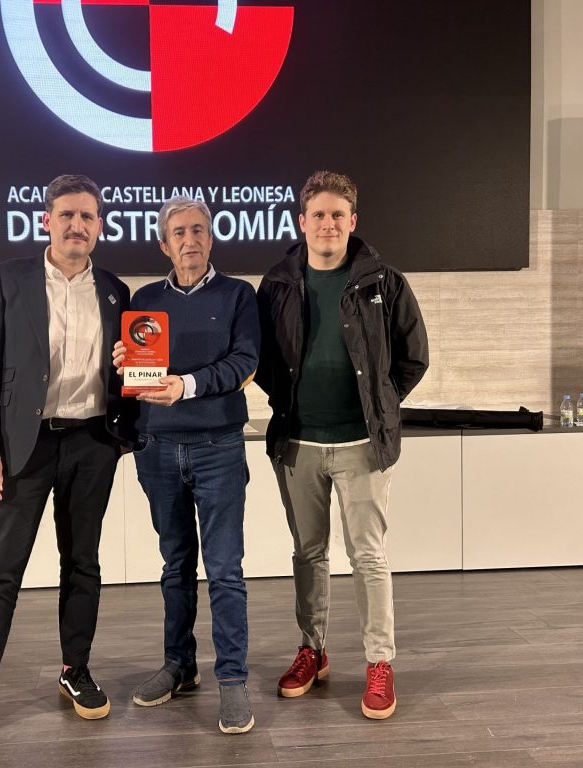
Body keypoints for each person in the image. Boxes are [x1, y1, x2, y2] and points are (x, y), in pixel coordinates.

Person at [0, 175, 131, 749]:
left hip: (92, 443)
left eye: (87, 216)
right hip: (22, 448)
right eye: (66, 215)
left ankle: (75, 670)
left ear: (99, 226)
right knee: (0, 568)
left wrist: (124, 417)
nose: (77, 225)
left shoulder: (116, 290)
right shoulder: (9, 279)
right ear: (46, 221)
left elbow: (129, 372)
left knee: (82, 564)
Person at [255, 171, 428, 720]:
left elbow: (413, 357)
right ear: (301, 222)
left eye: (337, 215)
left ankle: (379, 662)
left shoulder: (385, 282)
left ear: (353, 221)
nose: (327, 224)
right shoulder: (276, 285)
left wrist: (379, 402)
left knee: (368, 556)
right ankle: (313, 649)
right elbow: (262, 360)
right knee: (307, 553)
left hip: (362, 446)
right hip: (298, 444)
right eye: (318, 215)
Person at [112, 196, 260, 734]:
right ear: (163, 244)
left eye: (198, 229)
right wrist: (122, 363)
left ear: (211, 237)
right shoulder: (145, 300)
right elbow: (138, 375)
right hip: (157, 449)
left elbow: (245, 361)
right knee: (175, 567)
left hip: (219, 446)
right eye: (179, 232)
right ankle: (179, 665)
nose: (190, 240)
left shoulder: (239, 295)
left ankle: (232, 678)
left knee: (224, 570)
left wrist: (187, 385)